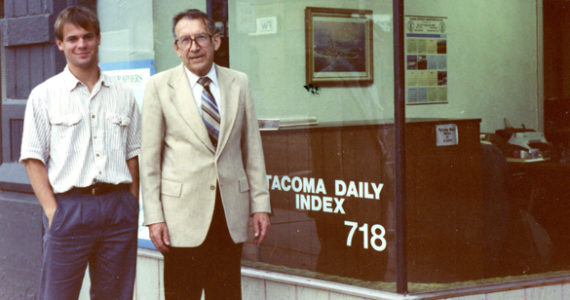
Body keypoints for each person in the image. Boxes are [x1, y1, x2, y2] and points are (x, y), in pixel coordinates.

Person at [141, 8, 271, 300]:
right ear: (176, 48)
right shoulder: (159, 87)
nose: (194, 46)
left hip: (229, 214)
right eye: (185, 40)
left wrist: (260, 205)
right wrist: (154, 217)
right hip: (179, 219)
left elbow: (252, 150)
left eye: (200, 37)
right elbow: (149, 161)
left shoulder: (239, 82)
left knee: (225, 295)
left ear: (216, 41)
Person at [19, 6, 141, 300]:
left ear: (99, 39)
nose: (81, 44)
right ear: (60, 44)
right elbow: (33, 159)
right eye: (72, 39)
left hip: (117, 210)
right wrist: (53, 212)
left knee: (114, 295)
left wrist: (131, 203)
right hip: (70, 210)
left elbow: (133, 155)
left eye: (87, 36)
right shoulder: (44, 95)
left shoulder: (123, 94)